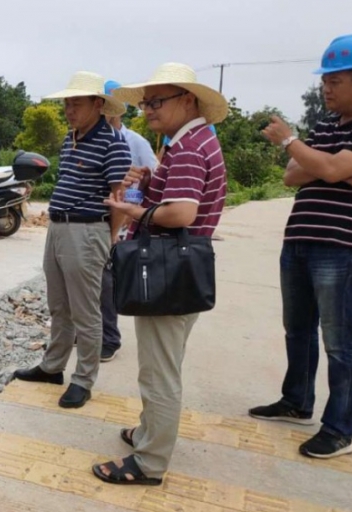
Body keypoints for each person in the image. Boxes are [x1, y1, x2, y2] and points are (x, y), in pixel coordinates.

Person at [249, 34, 352, 459]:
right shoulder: (329, 124)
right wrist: (334, 168)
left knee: (339, 339)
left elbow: (319, 164)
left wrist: (296, 146)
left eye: (335, 81)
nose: (326, 89)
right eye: (324, 82)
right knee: (297, 329)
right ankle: (297, 401)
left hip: (341, 245)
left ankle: (339, 428)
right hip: (299, 238)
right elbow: (292, 176)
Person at [92, 63, 228, 486]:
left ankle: (149, 462)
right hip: (181, 271)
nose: (148, 109)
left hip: (171, 274)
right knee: (160, 365)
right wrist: (152, 180)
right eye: (146, 102)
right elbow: (182, 199)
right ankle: (150, 433)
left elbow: (182, 213)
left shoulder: (187, 148)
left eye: (157, 101)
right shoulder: (192, 141)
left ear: (188, 100)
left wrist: (134, 210)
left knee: (159, 371)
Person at [13, 72, 131, 409]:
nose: (69, 109)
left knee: (86, 311)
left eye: (76, 102)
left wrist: (108, 237)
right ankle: (52, 367)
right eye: (67, 102)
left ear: (98, 104)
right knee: (58, 304)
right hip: (59, 227)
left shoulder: (112, 142)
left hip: (88, 230)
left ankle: (83, 379)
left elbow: (118, 196)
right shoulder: (70, 139)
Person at [100, 79, 158, 362]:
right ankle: (88, 332)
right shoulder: (90, 138)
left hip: (124, 221)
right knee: (92, 280)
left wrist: (132, 209)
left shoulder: (136, 142)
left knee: (108, 279)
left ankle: (109, 338)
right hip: (97, 219)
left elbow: (155, 179)